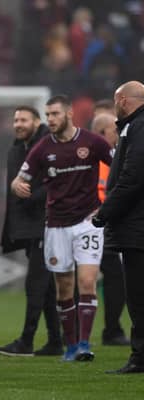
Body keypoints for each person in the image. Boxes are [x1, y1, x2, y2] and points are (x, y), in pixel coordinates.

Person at [11, 95, 113, 362]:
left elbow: (120, 168)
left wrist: (108, 204)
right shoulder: (43, 148)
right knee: (64, 288)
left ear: (69, 113)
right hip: (56, 225)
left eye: (54, 114)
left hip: (88, 223)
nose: (50, 120)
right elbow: (19, 180)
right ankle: (70, 346)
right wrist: (18, 186)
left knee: (88, 281)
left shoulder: (92, 142)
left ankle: (83, 344)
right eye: (47, 115)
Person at [0, 106, 63, 357]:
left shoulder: (48, 147)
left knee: (35, 283)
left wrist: (32, 196)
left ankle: (26, 340)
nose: (18, 124)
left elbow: (57, 182)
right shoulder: (17, 148)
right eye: (15, 120)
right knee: (45, 287)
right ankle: (56, 341)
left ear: (37, 121)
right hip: (29, 226)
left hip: (48, 224)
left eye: (24, 119)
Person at [93, 81, 144, 373]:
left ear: (122, 100)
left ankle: (139, 358)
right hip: (134, 226)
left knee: (138, 296)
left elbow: (133, 178)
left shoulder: (137, 127)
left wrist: (105, 213)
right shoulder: (133, 126)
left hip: (137, 227)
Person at [91, 112, 129, 346]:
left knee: (115, 277)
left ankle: (112, 329)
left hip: (106, 225)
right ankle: (75, 332)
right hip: (90, 225)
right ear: (104, 132)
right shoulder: (91, 158)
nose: (118, 135)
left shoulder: (117, 157)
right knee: (79, 281)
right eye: (114, 131)